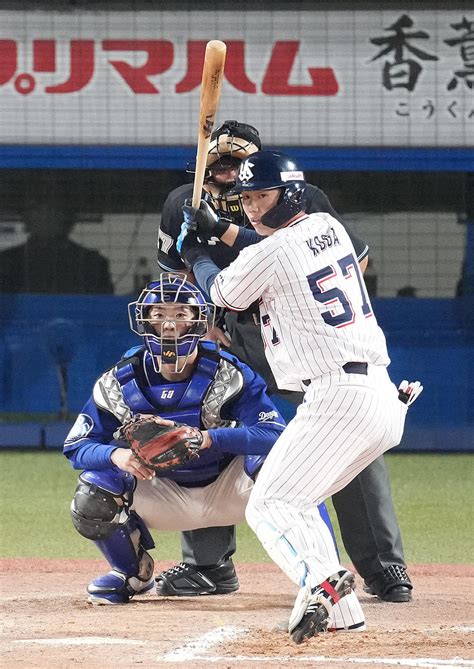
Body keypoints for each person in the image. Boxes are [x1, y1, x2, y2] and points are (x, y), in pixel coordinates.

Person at [157, 120, 414, 604]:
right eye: (223, 164)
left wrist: (223, 238)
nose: (234, 176)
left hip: (306, 340)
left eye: (243, 166)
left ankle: (381, 568)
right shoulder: (182, 202)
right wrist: (200, 327)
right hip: (229, 337)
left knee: (342, 447)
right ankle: (208, 566)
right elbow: (179, 276)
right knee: (203, 429)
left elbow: (336, 260)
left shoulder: (301, 197)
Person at [0, 196, 113, 294]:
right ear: (28, 220)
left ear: (67, 221)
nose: (47, 219)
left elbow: (105, 308)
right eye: (38, 213)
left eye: (54, 213)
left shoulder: (92, 263)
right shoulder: (7, 261)